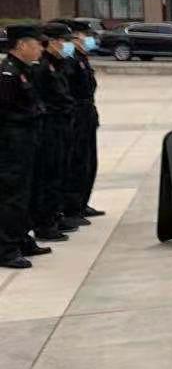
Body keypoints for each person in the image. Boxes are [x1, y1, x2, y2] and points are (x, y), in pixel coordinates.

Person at [0, 26, 46, 269]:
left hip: (26, 140)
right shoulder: (8, 74)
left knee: (27, 193)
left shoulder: (24, 70)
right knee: (12, 196)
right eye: (36, 44)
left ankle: (21, 239)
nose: (40, 49)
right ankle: (6, 250)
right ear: (21, 45)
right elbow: (6, 112)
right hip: (12, 144)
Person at [31, 22, 79, 242]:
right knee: (48, 176)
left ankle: (55, 216)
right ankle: (45, 223)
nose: (64, 45)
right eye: (61, 40)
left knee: (60, 173)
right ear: (50, 42)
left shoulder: (56, 64)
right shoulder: (41, 67)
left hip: (61, 125)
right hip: (50, 127)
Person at [60, 22, 104, 223]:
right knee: (77, 162)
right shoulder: (69, 60)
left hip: (87, 113)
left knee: (89, 162)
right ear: (75, 38)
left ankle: (82, 203)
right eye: (85, 36)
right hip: (77, 115)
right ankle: (72, 208)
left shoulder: (82, 59)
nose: (90, 39)